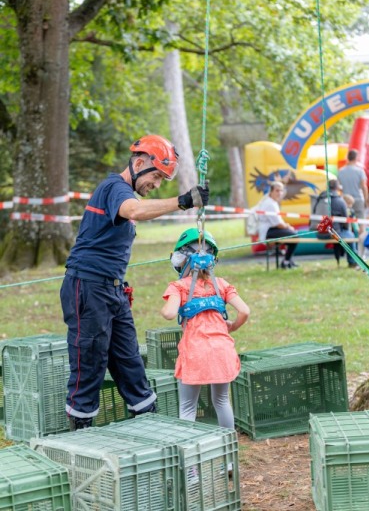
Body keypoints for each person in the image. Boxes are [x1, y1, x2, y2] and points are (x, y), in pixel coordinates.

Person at [60, 135, 209, 430]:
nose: (156, 184)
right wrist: (183, 202)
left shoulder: (125, 193)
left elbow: (138, 210)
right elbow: (135, 211)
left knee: (129, 359)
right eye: (155, 176)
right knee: (89, 359)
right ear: (139, 163)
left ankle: (146, 420)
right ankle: (81, 430)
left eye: (162, 180)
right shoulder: (115, 188)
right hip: (88, 287)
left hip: (113, 290)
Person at [161, 228, 250, 429]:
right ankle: (229, 457)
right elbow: (244, 310)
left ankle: (191, 459)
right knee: (221, 401)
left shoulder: (178, 286)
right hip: (222, 350)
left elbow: (169, 313)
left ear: (181, 258)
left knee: (188, 407)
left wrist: (167, 307)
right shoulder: (221, 284)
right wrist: (232, 326)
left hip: (195, 353)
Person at [257, 181, 298, 268]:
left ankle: (288, 260)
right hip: (269, 231)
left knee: (292, 236)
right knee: (295, 237)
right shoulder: (270, 204)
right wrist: (289, 227)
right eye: (277, 190)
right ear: (271, 191)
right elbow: (278, 224)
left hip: (272, 229)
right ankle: (286, 262)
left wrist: (287, 226)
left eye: (281, 191)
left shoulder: (272, 202)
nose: (279, 193)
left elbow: (279, 221)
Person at [321, 180, 357, 268]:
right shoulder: (340, 201)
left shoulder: (319, 198)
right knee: (351, 236)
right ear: (337, 188)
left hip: (319, 233)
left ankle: (340, 259)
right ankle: (352, 262)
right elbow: (345, 221)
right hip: (333, 233)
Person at [338, 149, 368, 230]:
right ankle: (360, 241)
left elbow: (338, 187)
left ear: (348, 158)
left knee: (348, 221)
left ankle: (350, 239)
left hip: (346, 200)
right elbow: (363, 186)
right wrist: (366, 199)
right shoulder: (360, 171)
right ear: (356, 158)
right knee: (361, 221)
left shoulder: (340, 171)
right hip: (358, 199)